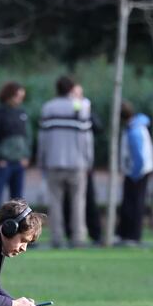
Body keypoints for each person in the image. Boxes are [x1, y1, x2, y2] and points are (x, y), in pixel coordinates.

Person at [38, 76, 94, 248]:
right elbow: (86, 138)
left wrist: (42, 160)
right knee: (78, 201)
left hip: (54, 162)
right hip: (77, 163)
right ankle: (78, 237)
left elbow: (43, 138)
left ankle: (57, 237)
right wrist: (89, 159)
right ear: (71, 89)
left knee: (54, 202)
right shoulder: (80, 107)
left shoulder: (48, 108)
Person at [63, 83, 103, 244]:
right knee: (68, 201)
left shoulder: (85, 112)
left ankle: (95, 232)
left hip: (84, 164)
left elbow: (99, 127)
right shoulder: (63, 112)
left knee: (89, 198)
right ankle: (70, 231)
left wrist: (85, 111)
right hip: (67, 163)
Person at [0, 82, 32, 221]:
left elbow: (28, 135)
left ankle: (21, 231)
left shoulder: (22, 113)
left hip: (19, 162)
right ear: (9, 96)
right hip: (3, 163)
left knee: (19, 201)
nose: (20, 99)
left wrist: (26, 154)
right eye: (18, 96)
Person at [117, 101, 153, 243]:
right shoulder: (136, 126)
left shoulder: (134, 131)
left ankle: (133, 235)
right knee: (130, 204)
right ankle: (126, 233)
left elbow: (138, 156)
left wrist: (134, 174)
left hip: (137, 173)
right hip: (138, 172)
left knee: (134, 205)